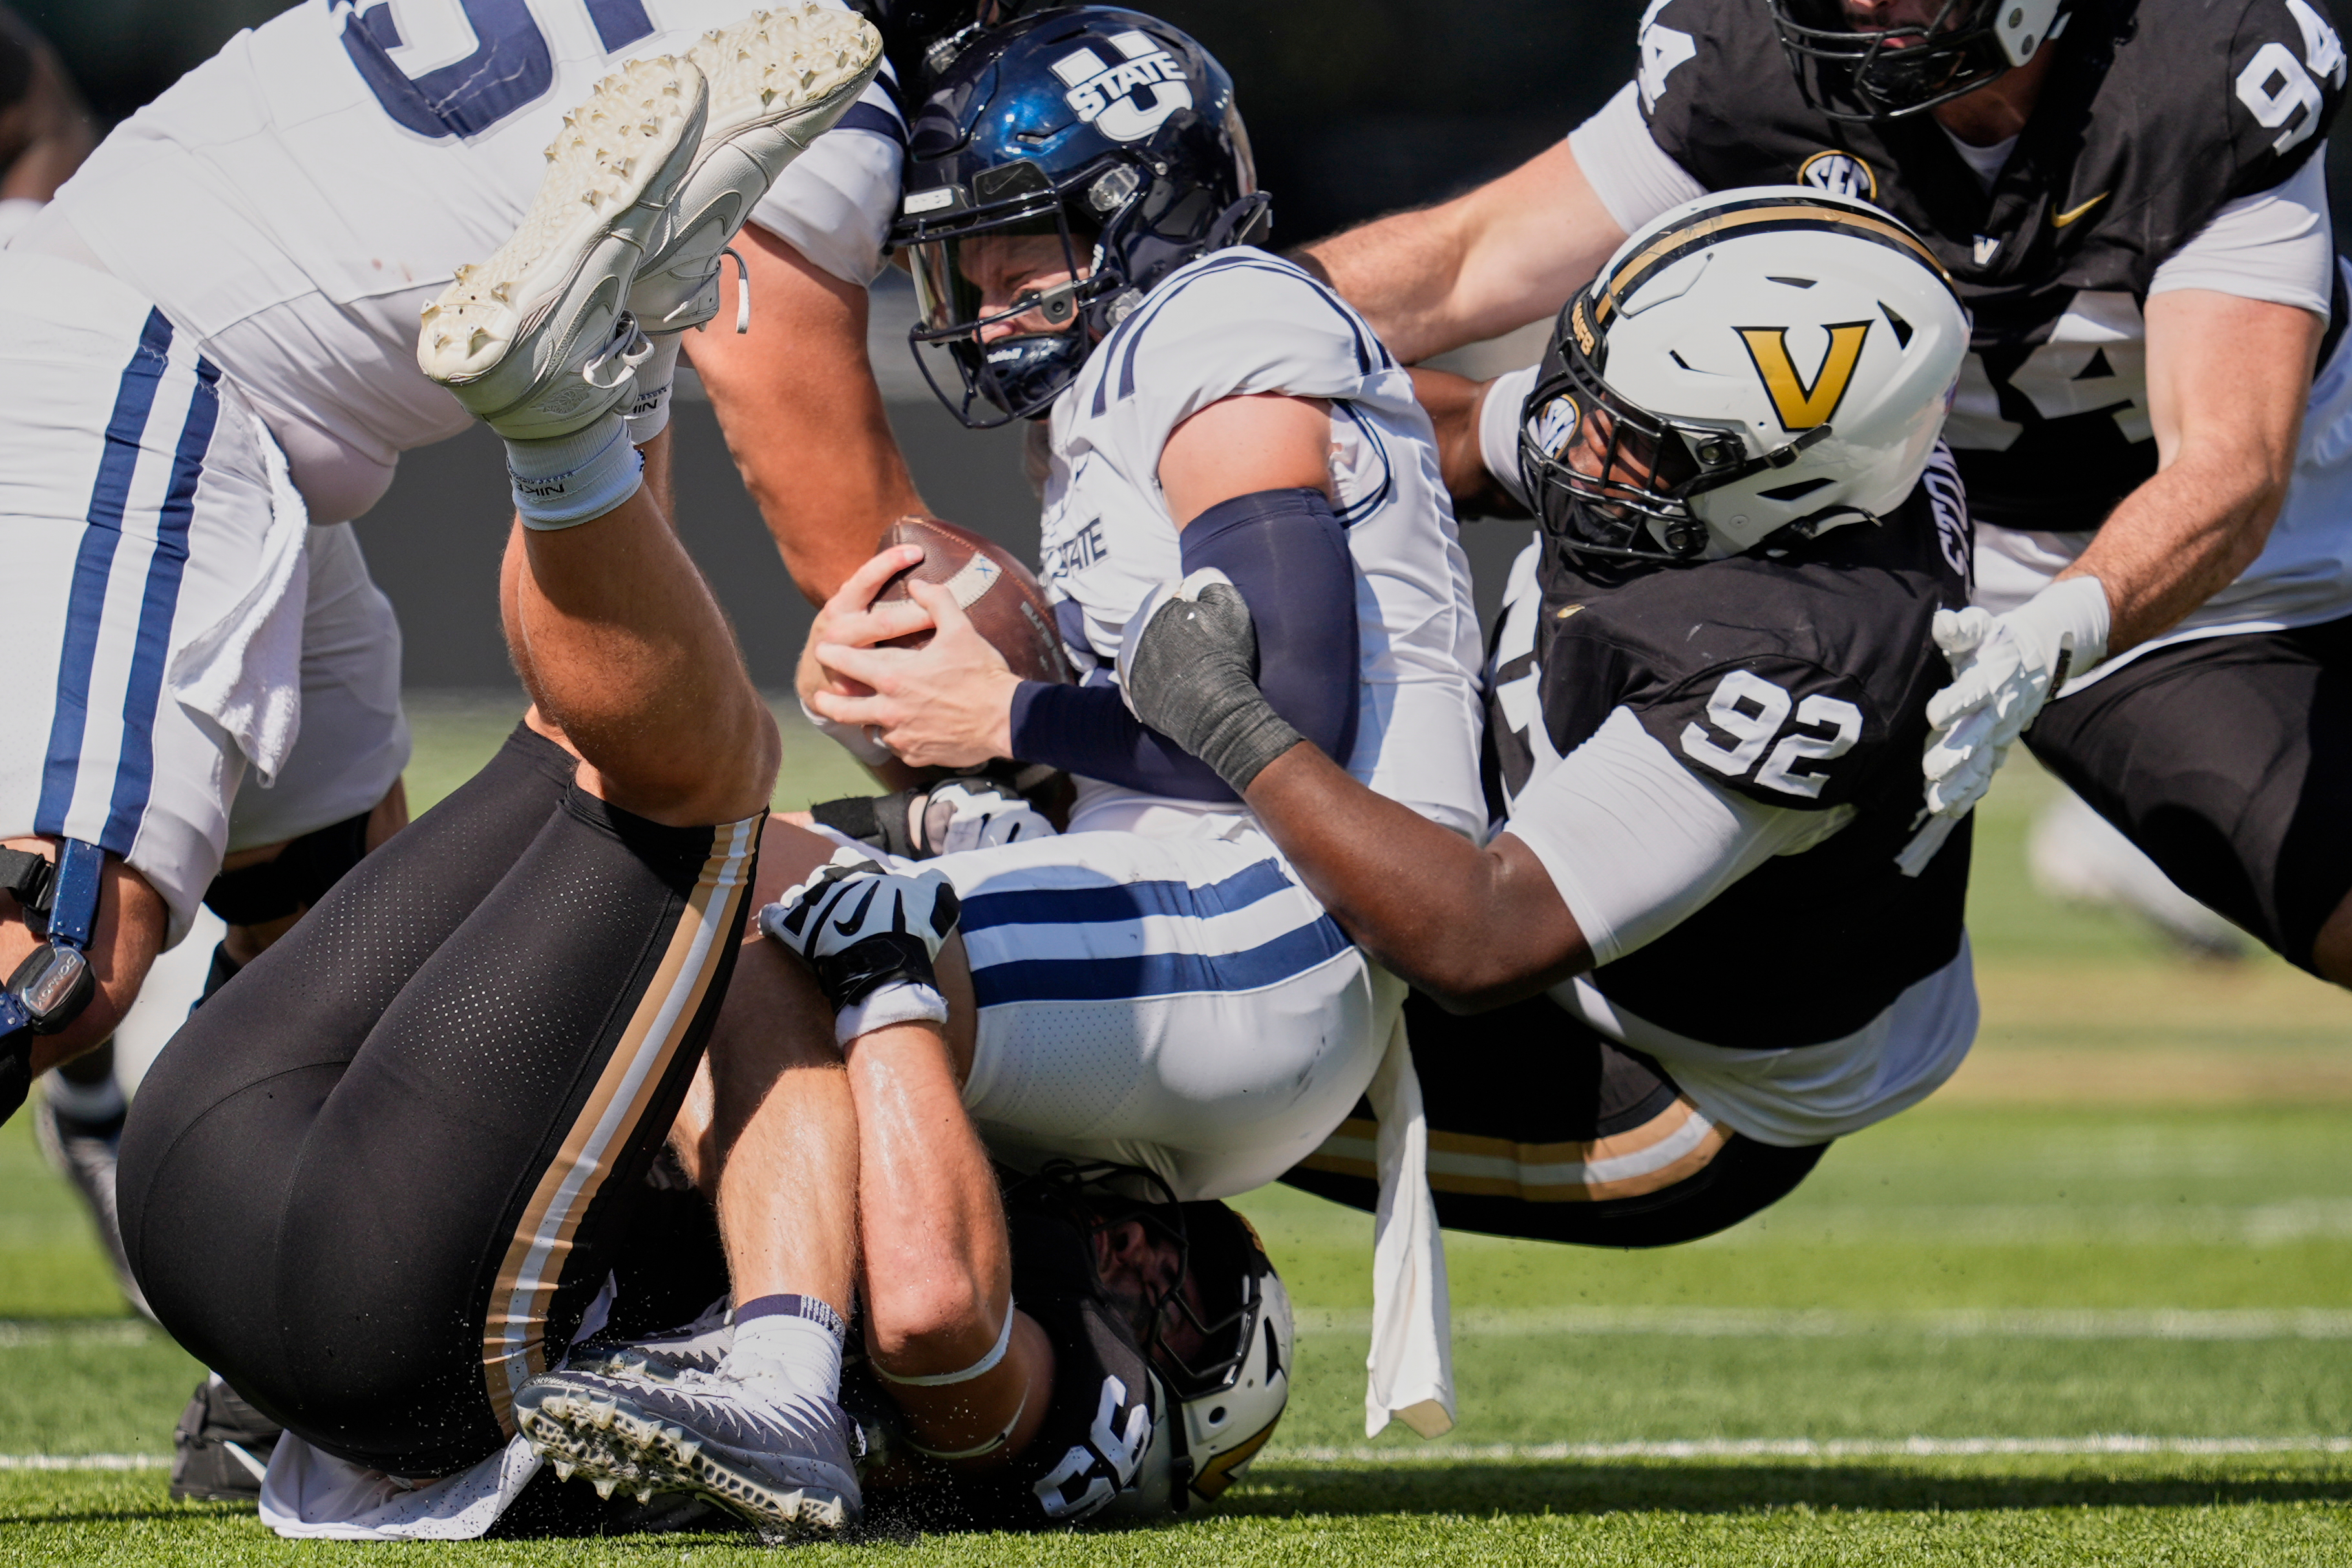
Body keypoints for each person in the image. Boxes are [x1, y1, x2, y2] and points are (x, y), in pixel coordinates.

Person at [508, 12, 1487, 1507]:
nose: (984, 299)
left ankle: (779, 1355)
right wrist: (918, 699)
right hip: (1182, 891)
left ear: (1133, 206)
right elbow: (1158, 720)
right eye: (964, 267)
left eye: (1018, 253)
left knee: (775, 896)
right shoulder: (1120, 387)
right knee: (683, 872)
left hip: (1275, 922)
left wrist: (1005, 719)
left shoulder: (1224, 323)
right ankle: (737, 1331)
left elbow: (1276, 710)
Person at [0, 0, 918, 1143]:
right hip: (138, 361)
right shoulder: (808, 58)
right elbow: (857, 553)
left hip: (211, 378)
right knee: (61, 948)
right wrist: (1053, 749)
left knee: (345, 945)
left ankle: (273, 1268)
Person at [1300, 0, 2352, 993]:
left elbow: (2229, 467)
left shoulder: (2198, 65)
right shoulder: (1754, 66)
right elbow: (1463, 263)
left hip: (2240, 513)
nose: (1850, 8)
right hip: (2050, 581)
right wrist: (1198, 321)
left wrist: (2057, 634)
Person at [1117, 187, 1986, 1244]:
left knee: (1126, 1060)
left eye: (1647, 448)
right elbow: (1446, 439)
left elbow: (1480, 938)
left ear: (1801, 488)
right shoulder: (1700, 415)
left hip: (1674, 1083)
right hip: (1550, 885)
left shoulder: (1808, 654)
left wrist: (1226, 719)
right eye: (1592, 397)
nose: (1578, 448)